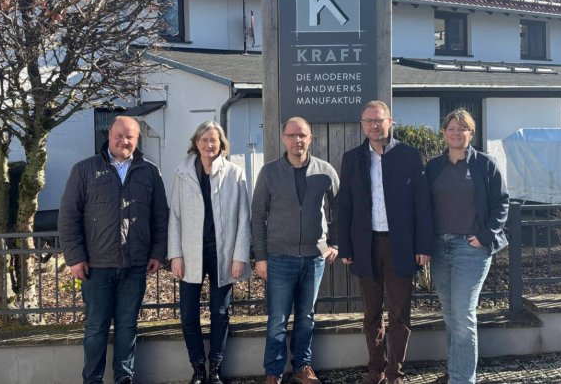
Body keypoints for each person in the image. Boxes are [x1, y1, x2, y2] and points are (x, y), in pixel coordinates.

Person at [59, 115, 169, 384]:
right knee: (96, 329)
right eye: (119, 135)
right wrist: (75, 258)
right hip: (97, 266)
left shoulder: (150, 172)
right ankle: (92, 379)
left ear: (137, 139)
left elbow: (160, 217)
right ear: (109, 135)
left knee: (128, 327)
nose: (124, 141)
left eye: (130, 136)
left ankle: (124, 378)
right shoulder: (85, 170)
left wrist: (157, 252)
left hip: (135, 265)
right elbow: (68, 217)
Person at [338, 100, 435, 384]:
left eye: (378, 120)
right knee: (370, 314)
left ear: (389, 122)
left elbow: (422, 205)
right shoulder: (352, 158)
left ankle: (395, 372)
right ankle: (376, 369)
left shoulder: (409, 155)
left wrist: (424, 245)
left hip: (401, 246)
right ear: (362, 124)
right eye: (368, 121)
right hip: (365, 246)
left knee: (399, 314)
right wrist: (345, 246)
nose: (374, 125)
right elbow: (345, 206)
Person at [251, 117, 339, 384]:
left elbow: (341, 209)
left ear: (310, 138)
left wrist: (334, 244)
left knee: (306, 317)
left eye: (301, 135)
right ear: (283, 138)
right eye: (291, 135)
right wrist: (261, 257)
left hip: (314, 258)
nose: (296, 140)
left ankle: (302, 366)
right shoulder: (269, 172)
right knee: (277, 319)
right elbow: (257, 216)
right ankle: (273, 372)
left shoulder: (325, 171)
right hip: (279, 258)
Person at [425, 109, 509, 384]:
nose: (456, 133)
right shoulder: (434, 167)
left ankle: (463, 379)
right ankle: (455, 372)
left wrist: (485, 236)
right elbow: (424, 207)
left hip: (470, 249)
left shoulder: (485, 164)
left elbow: (501, 203)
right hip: (439, 248)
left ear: (471, 133)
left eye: (462, 129)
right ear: (444, 132)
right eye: (451, 128)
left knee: (463, 314)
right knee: (450, 314)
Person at [168, 121, 252, 384]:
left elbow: (243, 217)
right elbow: (175, 217)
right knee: (188, 315)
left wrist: (239, 256)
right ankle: (197, 368)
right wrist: (176, 255)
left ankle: (215, 367)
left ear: (221, 144)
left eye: (214, 140)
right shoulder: (182, 172)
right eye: (204, 140)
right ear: (196, 143)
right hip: (191, 253)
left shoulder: (234, 173)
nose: (209, 145)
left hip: (222, 254)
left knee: (220, 313)